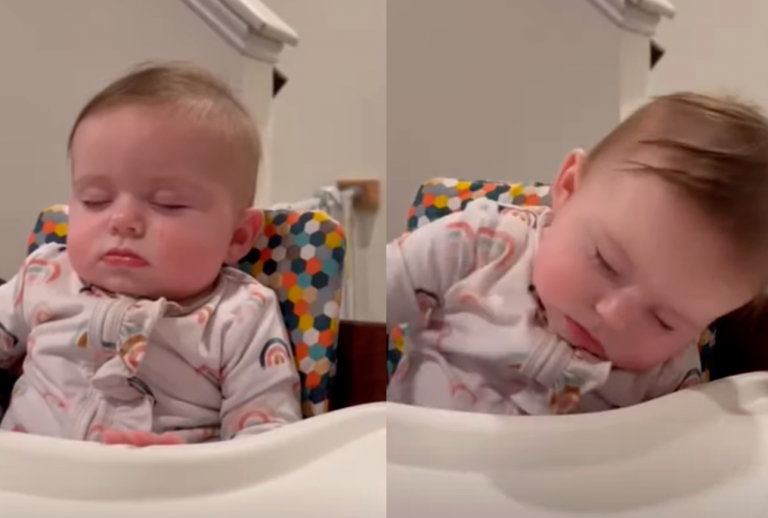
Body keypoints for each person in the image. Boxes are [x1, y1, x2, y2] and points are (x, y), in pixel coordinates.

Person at [387, 92, 768, 415]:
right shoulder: (478, 247)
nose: (614, 316)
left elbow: (669, 463)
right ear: (568, 189)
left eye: (664, 320)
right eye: (605, 262)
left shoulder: (666, 376)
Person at [0, 62, 302, 444]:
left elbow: (269, 438)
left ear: (237, 236)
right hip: (23, 483)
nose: (123, 220)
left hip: (160, 494)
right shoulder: (45, 275)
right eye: (96, 200)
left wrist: (188, 469)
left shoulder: (240, 314)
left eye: (168, 204)